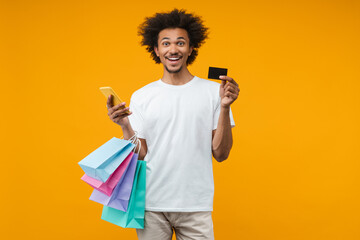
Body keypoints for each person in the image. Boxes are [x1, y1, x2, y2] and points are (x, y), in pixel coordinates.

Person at [106, 8, 239, 240]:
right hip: (152, 204)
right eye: (166, 43)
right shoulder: (143, 95)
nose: (173, 49)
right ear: (156, 50)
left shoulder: (213, 93)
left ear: (191, 48)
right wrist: (125, 126)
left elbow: (221, 153)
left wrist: (226, 106)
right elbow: (141, 154)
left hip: (196, 205)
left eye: (180, 43)